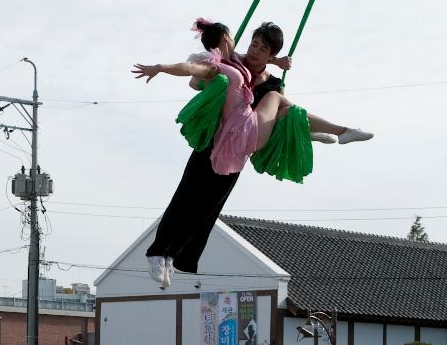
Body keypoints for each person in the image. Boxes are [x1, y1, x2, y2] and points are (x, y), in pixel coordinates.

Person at [132, 19, 371, 284]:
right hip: (214, 140)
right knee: (187, 197)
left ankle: (174, 257)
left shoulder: (272, 83)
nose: (254, 51)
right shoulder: (234, 62)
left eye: (262, 49)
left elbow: (272, 118)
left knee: (208, 207)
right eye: (253, 44)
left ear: (271, 55)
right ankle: (159, 252)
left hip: (240, 147)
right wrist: (169, 69)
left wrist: (278, 65)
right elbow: (198, 74)